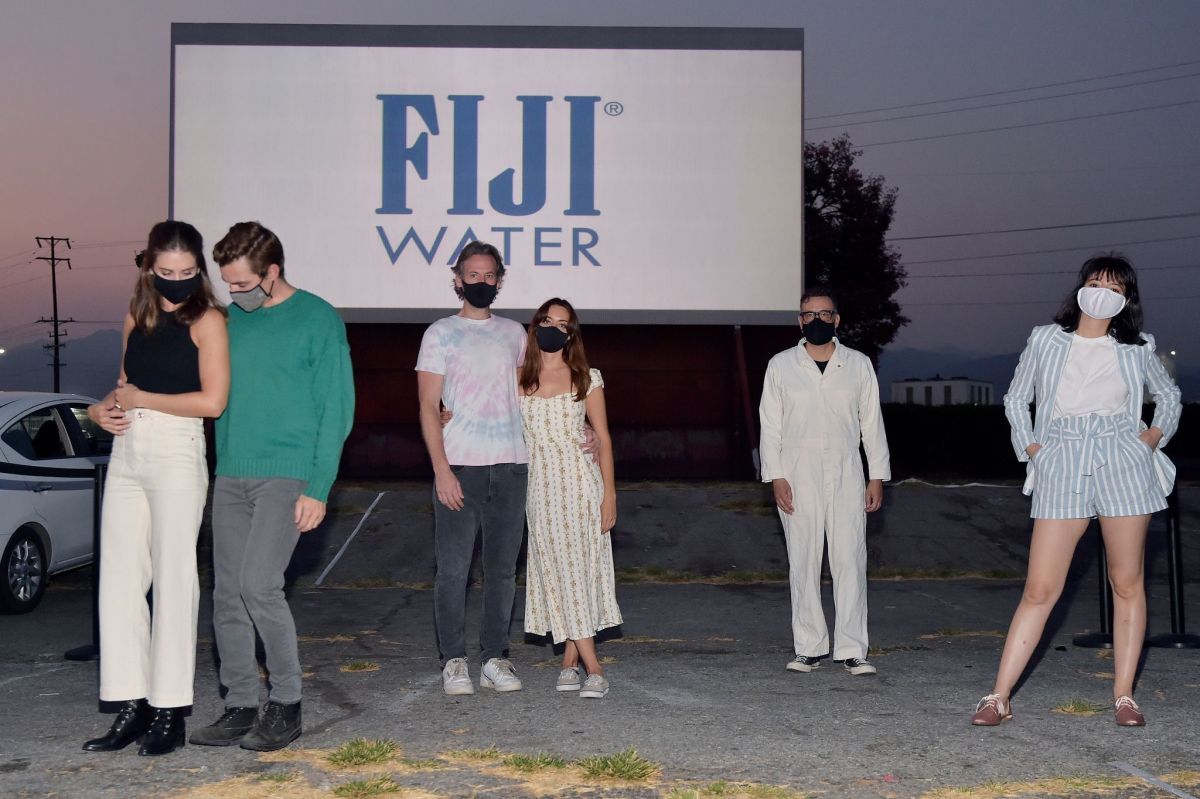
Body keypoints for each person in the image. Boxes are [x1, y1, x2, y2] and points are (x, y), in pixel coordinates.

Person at [972, 255, 1180, 728]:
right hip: (1062, 457)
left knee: (1126, 584)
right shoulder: (1046, 338)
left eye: (1114, 286)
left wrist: (1151, 437)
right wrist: (1031, 448)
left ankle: (1124, 695)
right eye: (1095, 281)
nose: (1102, 291)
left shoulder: (1137, 347)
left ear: (1126, 299)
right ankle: (998, 696)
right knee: (1040, 587)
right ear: (1081, 288)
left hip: (1122, 459)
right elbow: (1014, 397)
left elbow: (1167, 396)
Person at [189, 221, 354, 751]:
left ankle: (287, 703)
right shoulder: (227, 321)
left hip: (289, 474)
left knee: (259, 585)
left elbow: (337, 409)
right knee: (227, 595)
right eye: (227, 283)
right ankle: (240, 704)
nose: (233, 293)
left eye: (242, 284)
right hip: (232, 472)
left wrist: (319, 486)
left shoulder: (317, 318)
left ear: (272, 272)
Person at [82, 221, 229, 756]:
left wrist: (142, 399)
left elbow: (212, 402)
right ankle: (131, 703)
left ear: (199, 271)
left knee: (174, 577)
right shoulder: (136, 315)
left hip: (176, 450)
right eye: (166, 273)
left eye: (188, 273)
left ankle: (170, 709)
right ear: (148, 268)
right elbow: (123, 389)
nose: (177, 282)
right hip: (129, 450)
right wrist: (101, 411)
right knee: (119, 579)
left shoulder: (209, 320)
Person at [758, 286, 890, 677]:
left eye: (824, 314)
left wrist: (877, 475)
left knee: (850, 560)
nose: (817, 321)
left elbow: (872, 423)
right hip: (797, 474)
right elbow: (770, 426)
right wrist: (775, 475)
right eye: (809, 315)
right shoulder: (780, 365)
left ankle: (852, 649)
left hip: (848, 473)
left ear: (837, 319)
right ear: (800, 321)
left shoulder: (858, 364)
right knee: (803, 560)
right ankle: (809, 647)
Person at [417, 241, 529, 695]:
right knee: (454, 570)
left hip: (511, 465)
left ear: (499, 280)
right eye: (472, 275)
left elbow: (529, 397)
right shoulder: (440, 333)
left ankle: (495, 658)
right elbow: (428, 407)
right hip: (460, 464)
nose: (480, 282)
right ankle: (454, 660)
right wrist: (442, 469)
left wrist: (585, 431)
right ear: (457, 279)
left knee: (503, 570)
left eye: (489, 276)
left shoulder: (515, 333)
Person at [519, 299, 621, 698]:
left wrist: (609, 495)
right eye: (548, 321)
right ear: (536, 325)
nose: (554, 329)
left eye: (563, 324)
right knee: (553, 572)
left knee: (579, 571)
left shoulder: (586, 378)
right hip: (539, 489)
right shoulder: (517, 378)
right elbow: (486, 418)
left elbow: (604, 438)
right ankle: (568, 661)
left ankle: (593, 669)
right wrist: (448, 415)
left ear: (571, 333)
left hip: (581, 486)